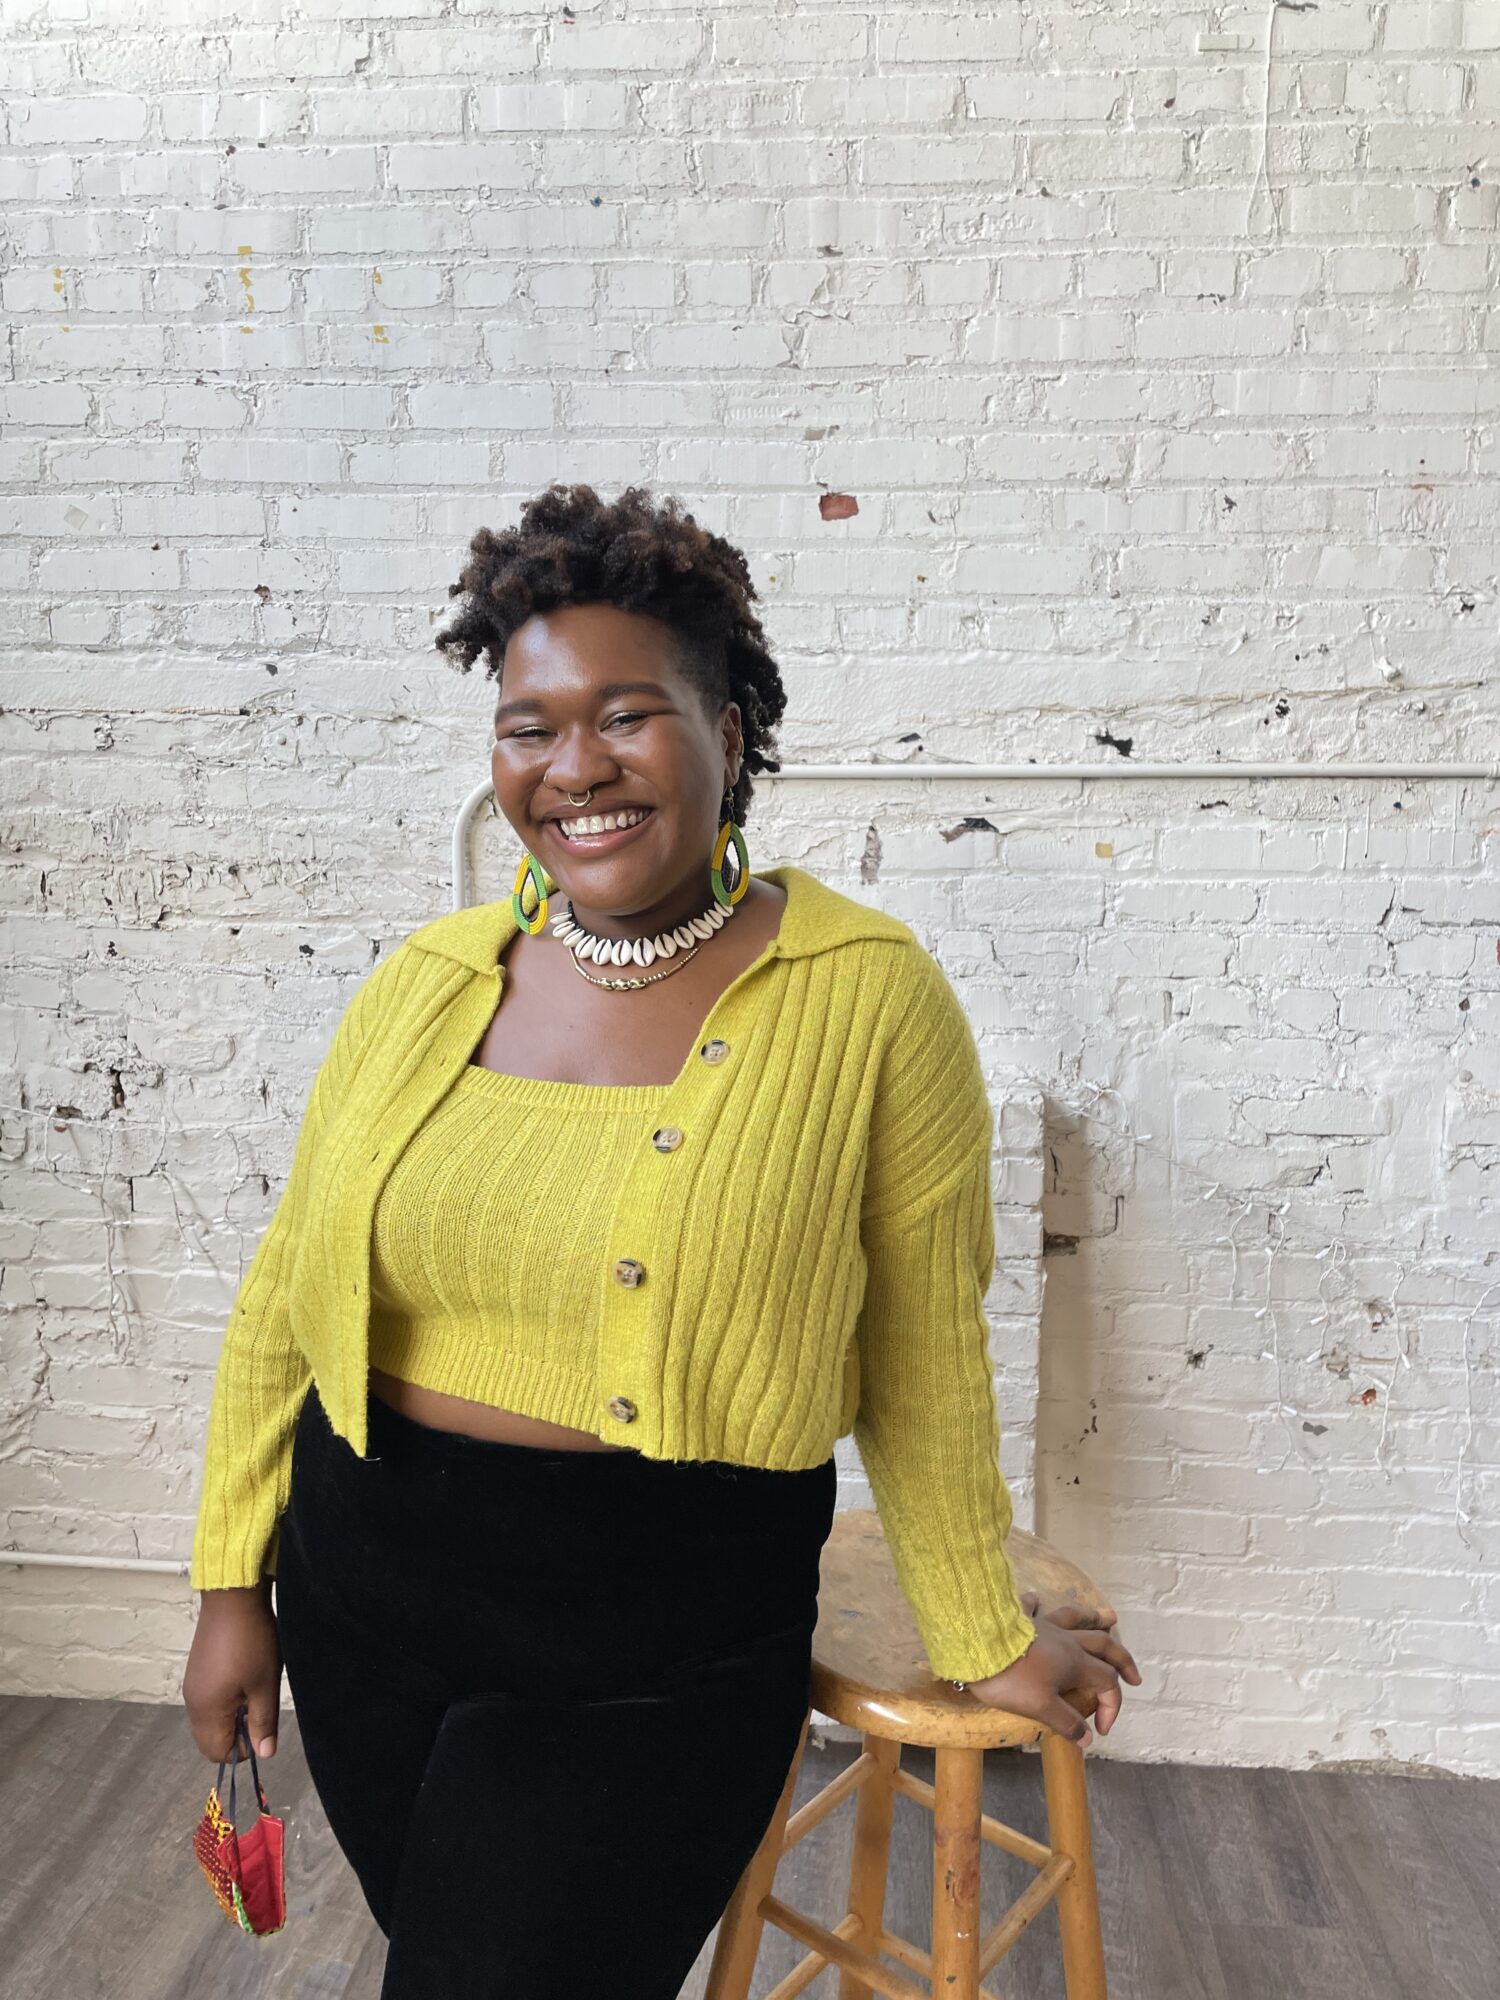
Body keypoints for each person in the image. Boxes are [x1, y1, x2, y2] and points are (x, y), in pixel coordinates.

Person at [181, 481, 1140, 1996]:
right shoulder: (427, 981)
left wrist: (977, 1627)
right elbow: (285, 1298)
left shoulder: (868, 1000)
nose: (575, 766)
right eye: (530, 727)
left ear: (730, 734)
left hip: (657, 1634)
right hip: (365, 1590)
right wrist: (233, 1587)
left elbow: (921, 1349)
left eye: (626, 716)